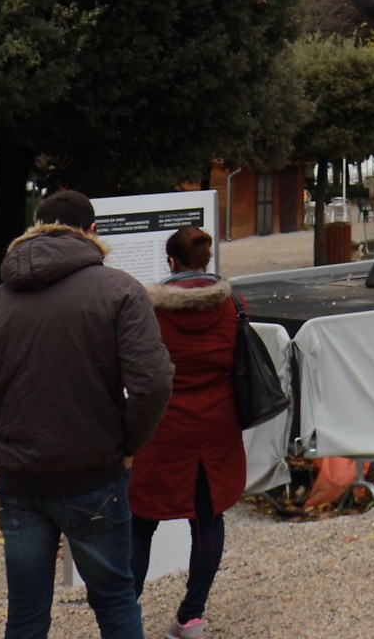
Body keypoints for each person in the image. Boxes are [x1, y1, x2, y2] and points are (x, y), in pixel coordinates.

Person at [0, 191, 173, 639]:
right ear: (93, 232)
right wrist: (128, 445)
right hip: (94, 474)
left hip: (20, 481)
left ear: (33, 228)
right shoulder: (120, 290)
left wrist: (1, 452)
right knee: (115, 602)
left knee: (26, 613)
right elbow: (153, 382)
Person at [128, 227, 246, 639]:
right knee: (208, 518)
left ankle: (125, 616)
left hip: (162, 430)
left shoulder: (149, 311)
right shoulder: (232, 304)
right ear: (206, 262)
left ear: (171, 263)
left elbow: (138, 370)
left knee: (141, 521)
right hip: (216, 429)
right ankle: (191, 617)